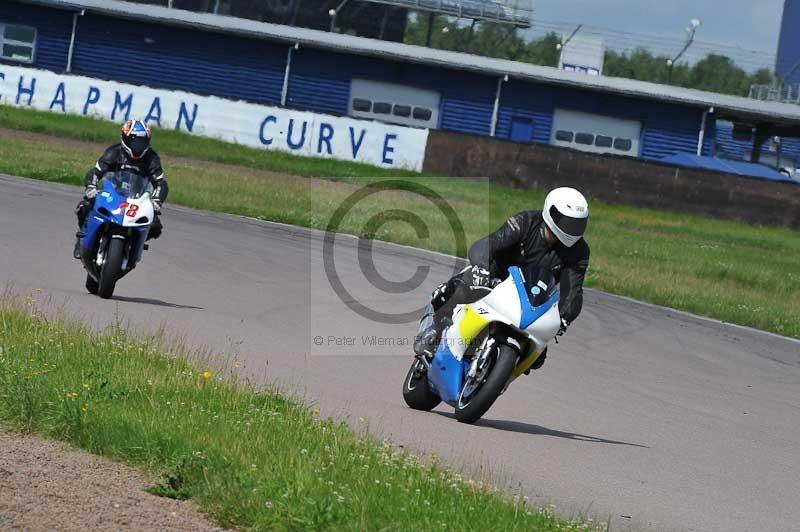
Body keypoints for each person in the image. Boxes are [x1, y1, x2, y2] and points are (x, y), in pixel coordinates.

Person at [413, 187, 591, 371]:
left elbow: (573, 290)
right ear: (551, 213)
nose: (572, 229)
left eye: (578, 224)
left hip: (532, 301)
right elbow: (488, 244)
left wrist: (563, 318)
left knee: (538, 358)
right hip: (496, 278)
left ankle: (496, 375)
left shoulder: (579, 251)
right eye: (568, 222)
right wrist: (481, 269)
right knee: (464, 283)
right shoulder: (526, 222)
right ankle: (433, 331)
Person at [73, 118, 169, 259]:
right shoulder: (114, 152)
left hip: (137, 198)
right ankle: (81, 239)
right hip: (112, 192)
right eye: (135, 142)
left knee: (155, 226)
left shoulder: (151, 158)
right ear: (125, 138)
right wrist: (91, 187)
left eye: (142, 143)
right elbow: (96, 172)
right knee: (84, 206)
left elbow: (160, 183)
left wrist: (156, 201)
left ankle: (135, 246)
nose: (138, 146)